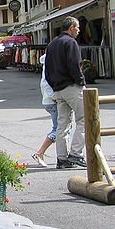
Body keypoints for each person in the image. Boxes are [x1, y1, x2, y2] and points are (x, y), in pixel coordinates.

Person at [44, 16, 86, 169]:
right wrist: (81, 81)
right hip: (71, 86)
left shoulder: (52, 44)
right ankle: (76, 154)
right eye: (78, 27)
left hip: (58, 89)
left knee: (62, 124)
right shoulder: (71, 43)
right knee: (84, 119)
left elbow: (47, 70)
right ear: (71, 28)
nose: (79, 30)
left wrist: (54, 86)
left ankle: (62, 159)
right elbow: (75, 65)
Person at [31, 54, 56, 168]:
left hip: (48, 101)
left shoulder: (47, 67)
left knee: (62, 129)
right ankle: (40, 153)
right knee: (59, 129)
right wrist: (55, 97)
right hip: (52, 102)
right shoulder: (50, 68)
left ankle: (41, 153)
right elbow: (47, 85)